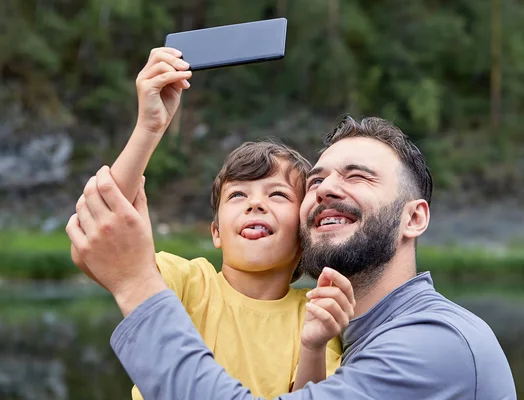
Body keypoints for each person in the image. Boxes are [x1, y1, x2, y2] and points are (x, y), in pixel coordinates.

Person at [67, 93, 517, 399]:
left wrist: (135, 284)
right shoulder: (356, 335)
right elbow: (102, 225)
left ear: (413, 217)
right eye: (317, 181)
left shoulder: (434, 344)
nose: (324, 190)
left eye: (357, 175)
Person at [68, 47, 355, 399]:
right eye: (237, 196)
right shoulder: (189, 283)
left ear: (303, 231)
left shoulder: (313, 313)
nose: (255, 205)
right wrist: (149, 126)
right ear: (216, 231)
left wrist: (313, 345)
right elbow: (100, 231)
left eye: (277, 195)